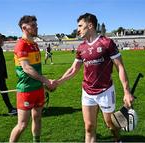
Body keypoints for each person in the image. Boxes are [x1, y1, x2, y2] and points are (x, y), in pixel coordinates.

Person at [54, 13, 134, 142]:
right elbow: (74, 69)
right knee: (89, 127)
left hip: (105, 91)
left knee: (110, 124)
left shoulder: (107, 43)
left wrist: (126, 91)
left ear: (90, 25)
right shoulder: (81, 48)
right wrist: (58, 82)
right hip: (87, 92)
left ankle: (118, 138)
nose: (78, 29)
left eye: (80, 25)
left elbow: (120, 67)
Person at [9, 15, 55, 142]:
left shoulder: (34, 44)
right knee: (22, 125)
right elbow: (27, 68)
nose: (36, 27)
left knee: (37, 118)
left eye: (36, 25)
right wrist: (46, 81)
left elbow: (36, 70)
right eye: (33, 25)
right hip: (26, 90)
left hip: (38, 89)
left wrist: (43, 84)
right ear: (24, 27)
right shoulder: (21, 45)